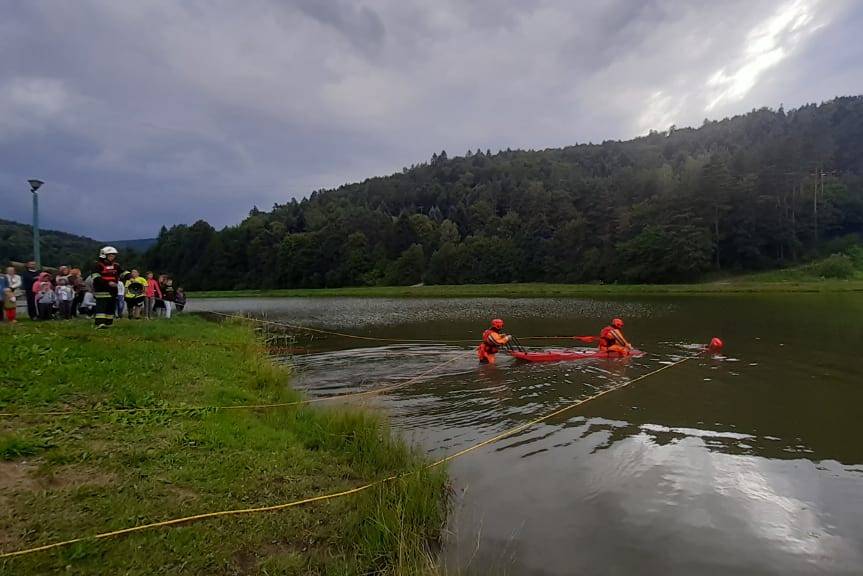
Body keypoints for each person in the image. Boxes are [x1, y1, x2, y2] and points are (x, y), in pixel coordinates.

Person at [91, 246, 121, 328]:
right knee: (101, 307)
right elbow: (96, 277)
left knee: (110, 307)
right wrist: (108, 283)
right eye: (110, 255)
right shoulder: (98, 265)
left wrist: (130, 277)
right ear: (104, 255)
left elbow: (122, 272)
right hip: (102, 290)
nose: (113, 257)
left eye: (114, 255)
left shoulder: (116, 265)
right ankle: (100, 323)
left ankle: (109, 323)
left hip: (113, 290)